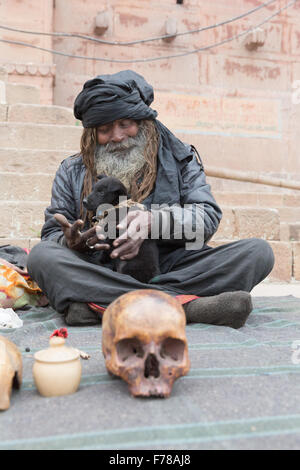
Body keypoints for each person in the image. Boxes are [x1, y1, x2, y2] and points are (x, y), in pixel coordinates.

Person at [27, 70, 274, 327]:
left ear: (143, 123)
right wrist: (72, 244)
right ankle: (187, 307)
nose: (117, 136)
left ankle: (101, 306)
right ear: (92, 134)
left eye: (126, 124)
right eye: (104, 129)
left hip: (169, 266)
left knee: (258, 252)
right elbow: (53, 233)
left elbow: (206, 217)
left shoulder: (180, 159)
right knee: (42, 257)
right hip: (101, 267)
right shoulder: (71, 170)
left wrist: (152, 222)